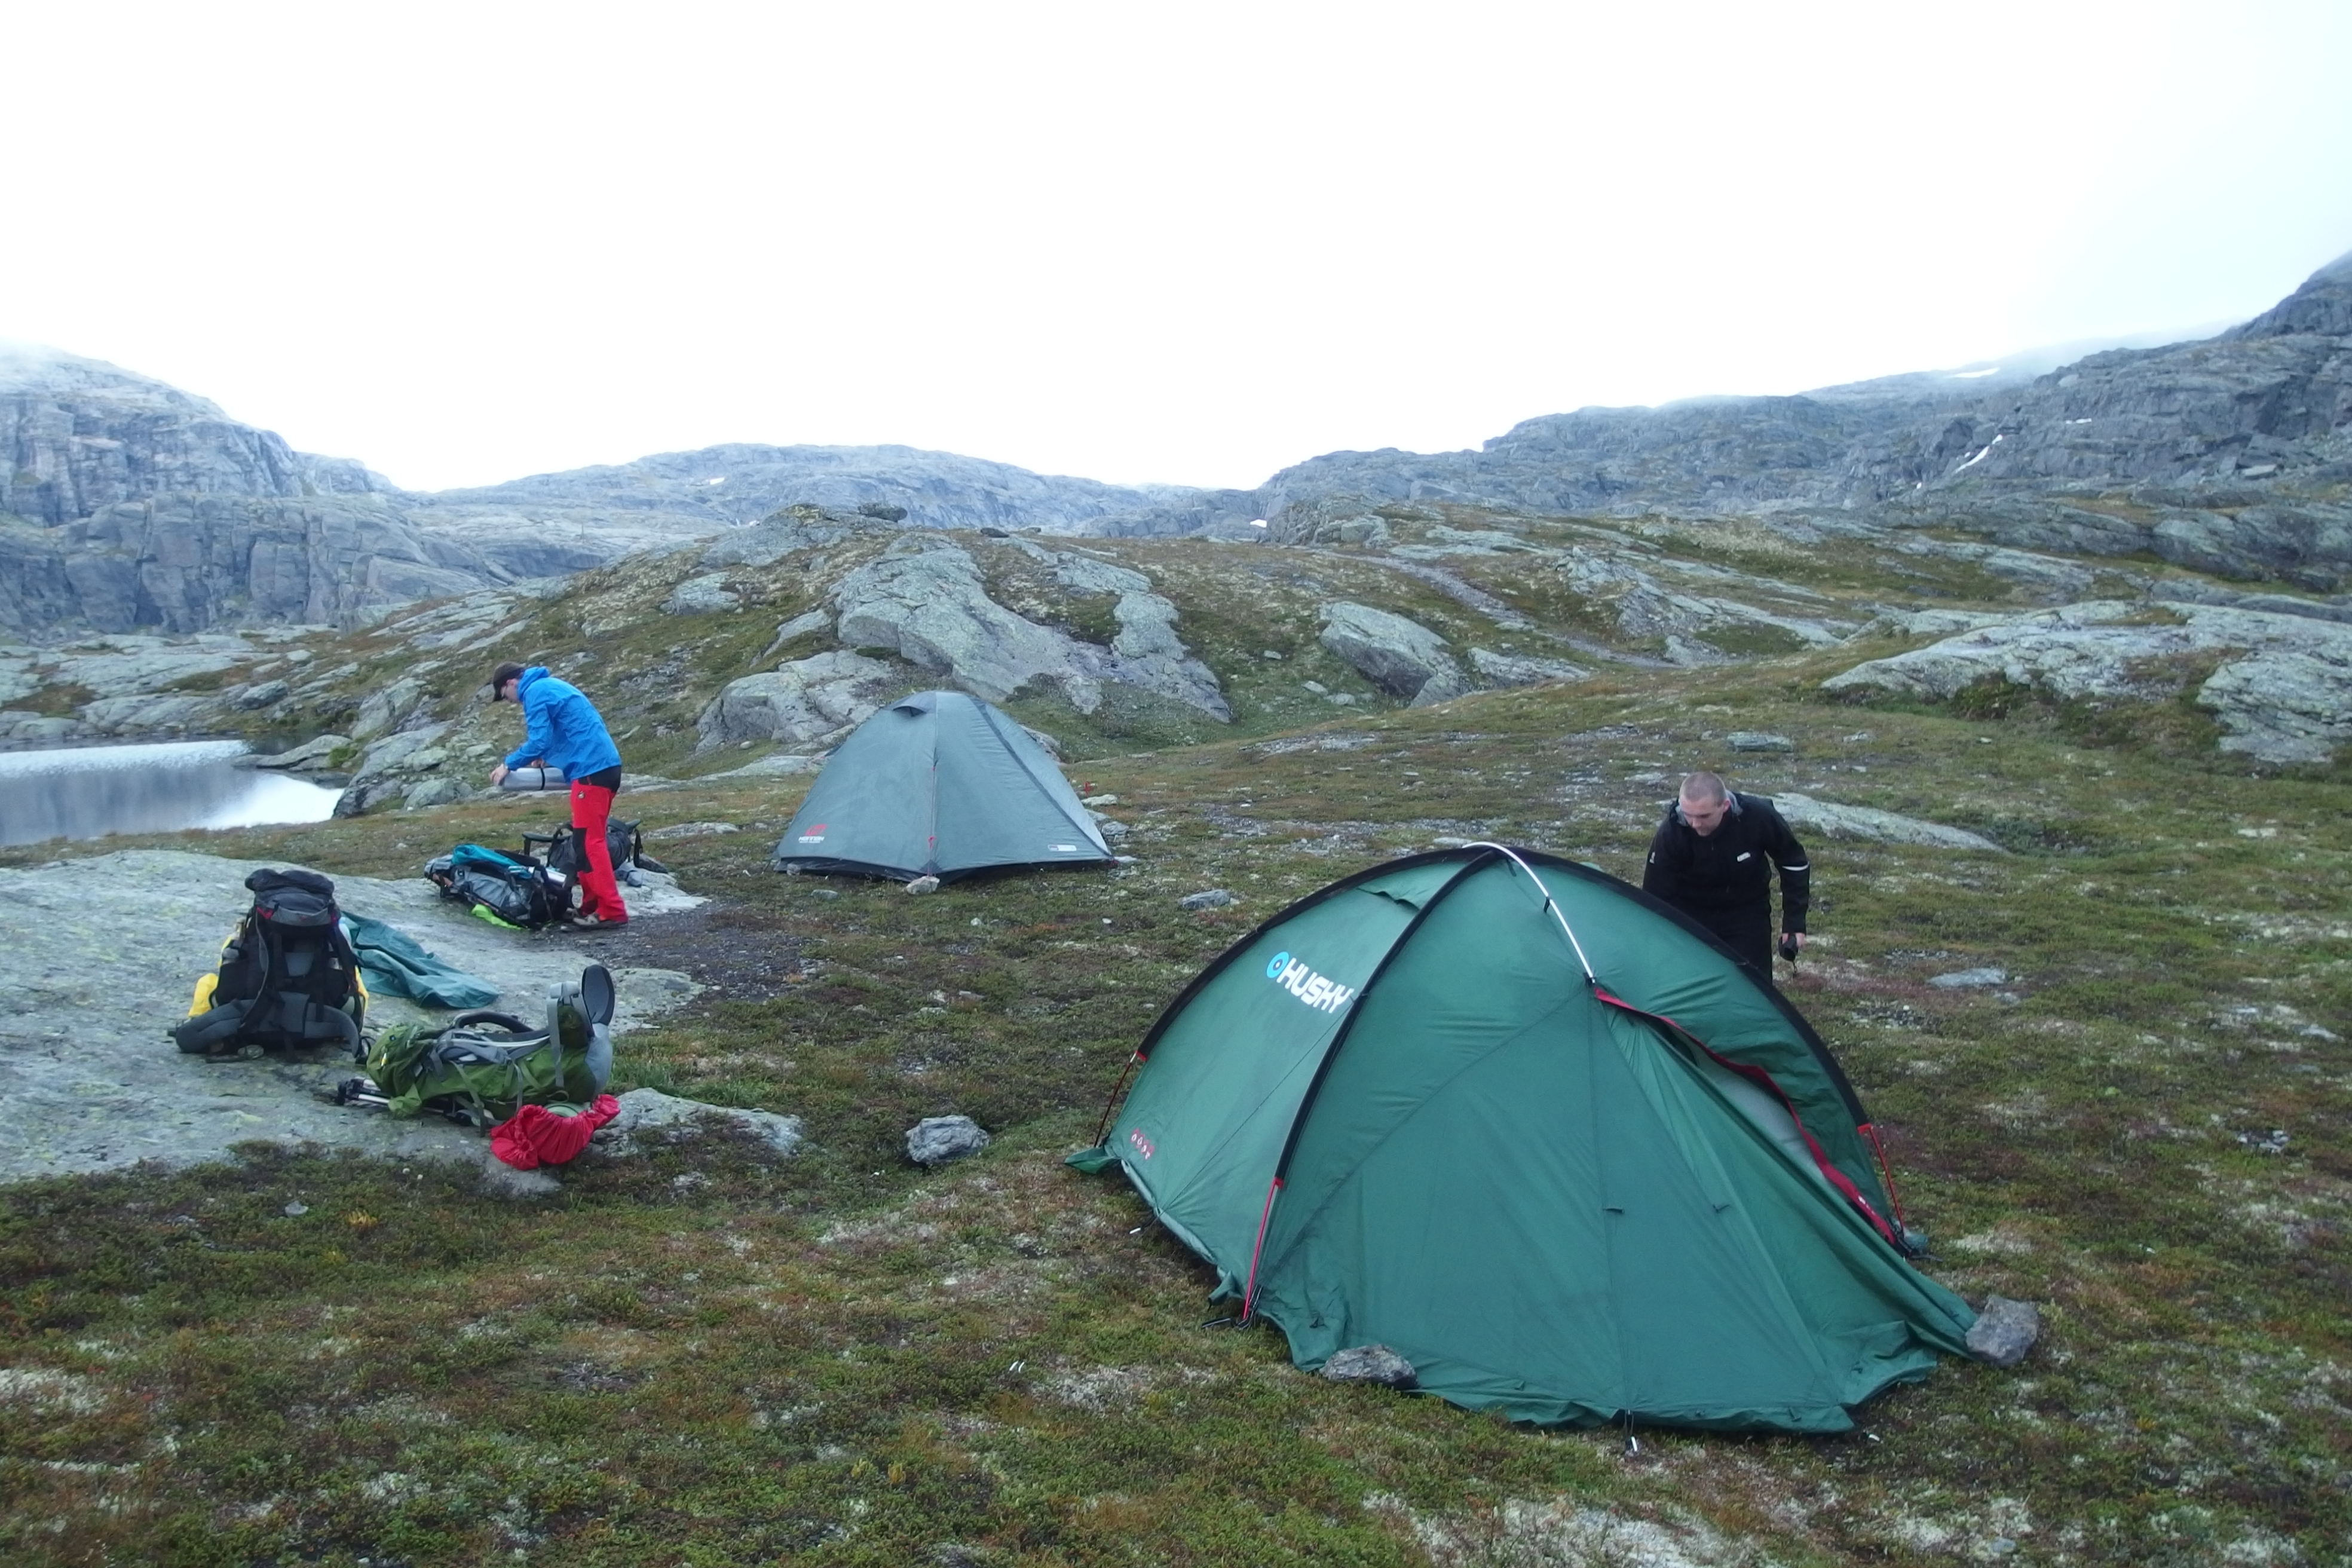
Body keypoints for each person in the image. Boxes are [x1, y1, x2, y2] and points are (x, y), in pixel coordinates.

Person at [487, 661, 628, 930]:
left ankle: (611, 910)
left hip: (591, 770)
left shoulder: (535, 692)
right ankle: (591, 907)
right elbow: (562, 733)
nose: (510, 702)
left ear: (511, 684)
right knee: (581, 843)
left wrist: (509, 764)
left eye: (505, 696)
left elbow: (539, 739)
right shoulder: (549, 686)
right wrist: (547, 757)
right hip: (601, 767)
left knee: (590, 843)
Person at [1640, 771, 1808, 977]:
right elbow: (1655, 893)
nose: (1694, 824)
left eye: (1704, 816)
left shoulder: (1758, 817)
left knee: (1752, 984)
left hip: (1747, 911)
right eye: (1688, 814)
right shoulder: (1671, 832)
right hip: (1691, 913)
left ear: (1725, 806)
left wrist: (1794, 923)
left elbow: (1793, 862)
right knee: (1691, 982)